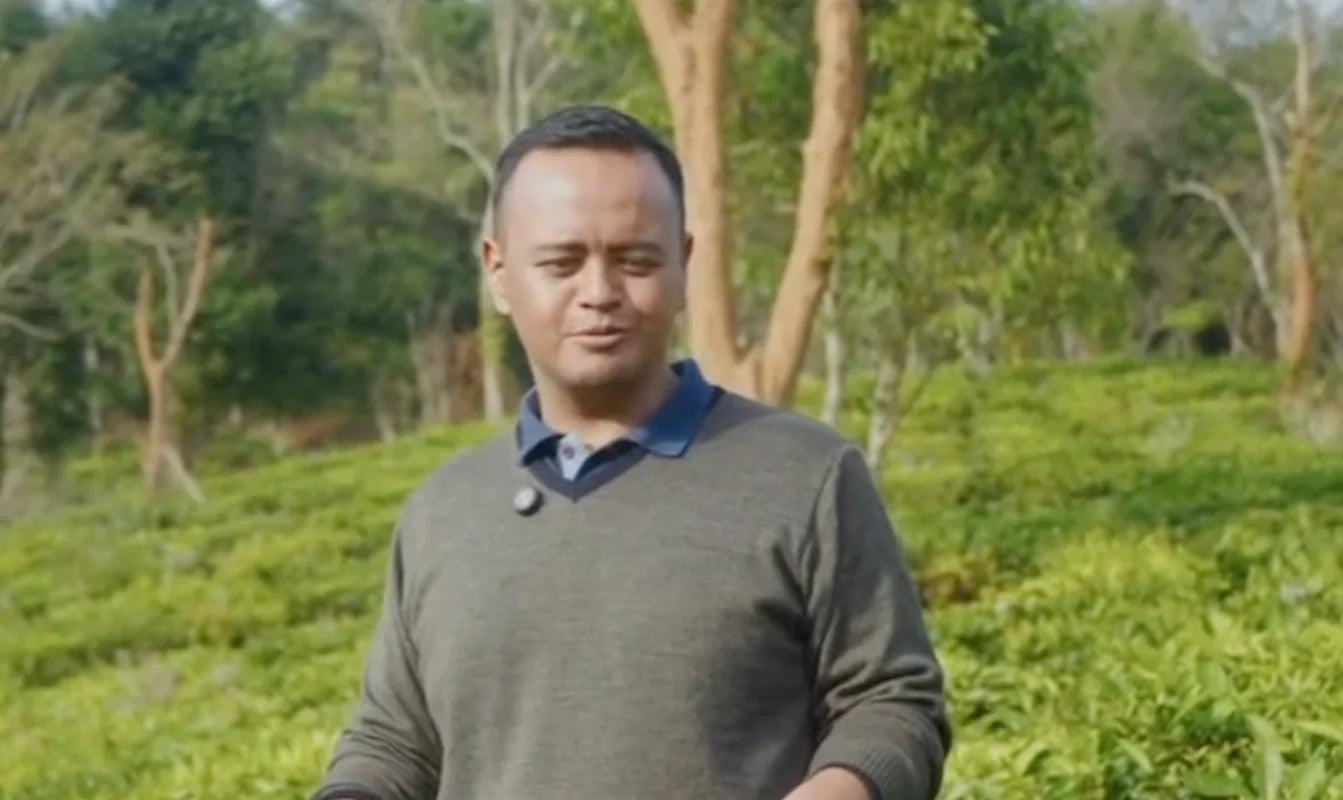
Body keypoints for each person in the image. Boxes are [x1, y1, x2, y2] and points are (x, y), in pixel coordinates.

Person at [310, 105, 951, 800]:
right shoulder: (442, 511)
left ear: (683, 264)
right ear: (498, 273)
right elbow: (393, 739)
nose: (599, 294)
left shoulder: (806, 476)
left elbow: (892, 704)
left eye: (634, 261)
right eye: (561, 263)